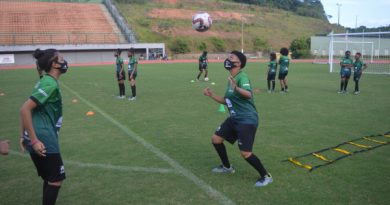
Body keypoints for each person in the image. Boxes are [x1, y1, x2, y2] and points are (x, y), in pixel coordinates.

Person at [203, 50, 272, 187]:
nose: (228, 60)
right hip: (234, 119)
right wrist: (211, 95)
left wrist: (237, 88)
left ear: (239, 63)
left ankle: (266, 176)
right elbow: (226, 101)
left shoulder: (242, 77)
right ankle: (227, 167)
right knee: (216, 139)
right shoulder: (231, 80)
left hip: (246, 120)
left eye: (231, 57)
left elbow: (248, 94)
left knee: (245, 153)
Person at [20, 48, 68, 205]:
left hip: (37, 136)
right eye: (61, 59)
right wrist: (34, 141)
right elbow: (25, 109)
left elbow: (28, 107)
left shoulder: (44, 80)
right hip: (43, 139)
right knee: (56, 180)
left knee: (50, 178)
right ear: (54, 64)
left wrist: (23, 135)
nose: (64, 61)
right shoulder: (49, 83)